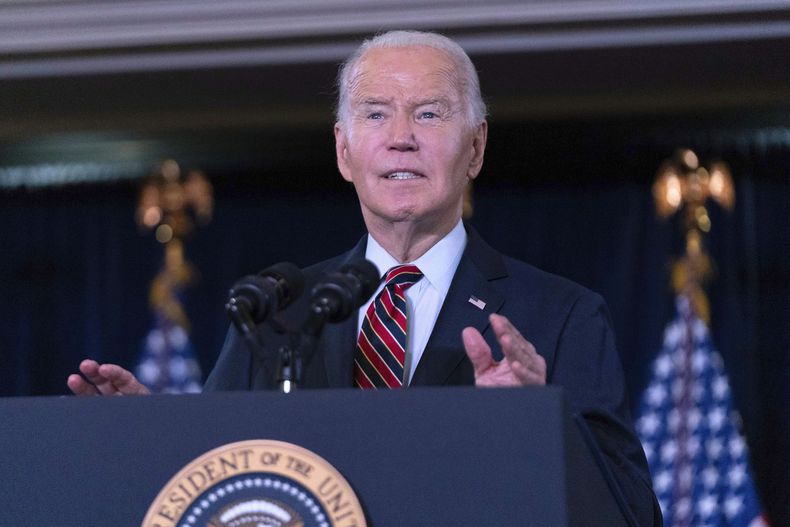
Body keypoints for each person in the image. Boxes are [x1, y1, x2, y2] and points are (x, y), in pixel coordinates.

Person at [68, 30, 660, 525]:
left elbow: (633, 514)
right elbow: (229, 481)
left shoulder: (562, 314)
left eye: (429, 114)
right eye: (376, 114)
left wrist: (541, 426)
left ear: (475, 148)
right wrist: (153, 438)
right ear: (344, 151)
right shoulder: (279, 310)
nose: (401, 135)